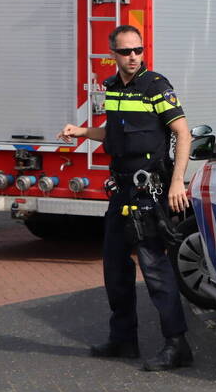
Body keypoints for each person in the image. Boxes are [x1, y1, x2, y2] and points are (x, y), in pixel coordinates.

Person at [58, 25, 193, 371]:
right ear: (112, 55)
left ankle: (177, 346)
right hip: (120, 190)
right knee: (114, 267)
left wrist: (177, 182)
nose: (133, 57)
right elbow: (113, 130)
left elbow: (182, 132)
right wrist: (82, 132)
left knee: (155, 268)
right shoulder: (111, 87)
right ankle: (123, 340)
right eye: (125, 52)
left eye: (138, 50)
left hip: (149, 190)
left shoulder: (156, 87)